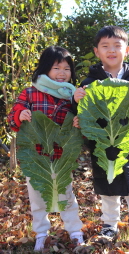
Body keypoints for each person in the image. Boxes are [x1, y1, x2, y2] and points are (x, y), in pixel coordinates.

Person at [73, 26, 129, 249]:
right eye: (105, 46)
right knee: (109, 189)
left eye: (117, 46)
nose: (111, 50)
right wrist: (76, 99)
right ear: (97, 51)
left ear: (127, 50)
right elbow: (80, 114)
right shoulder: (89, 81)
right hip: (105, 145)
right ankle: (109, 226)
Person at [7, 46, 84, 251]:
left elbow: (82, 119)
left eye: (67, 69)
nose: (62, 73)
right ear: (44, 69)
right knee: (38, 197)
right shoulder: (31, 92)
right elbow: (12, 116)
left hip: (62, 156)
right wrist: (20, 114)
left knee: (66, 195)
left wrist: (79, 120)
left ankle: (75, 231)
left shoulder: (72, 95)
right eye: (56, 68)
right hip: (36, 157)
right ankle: (41, 233)